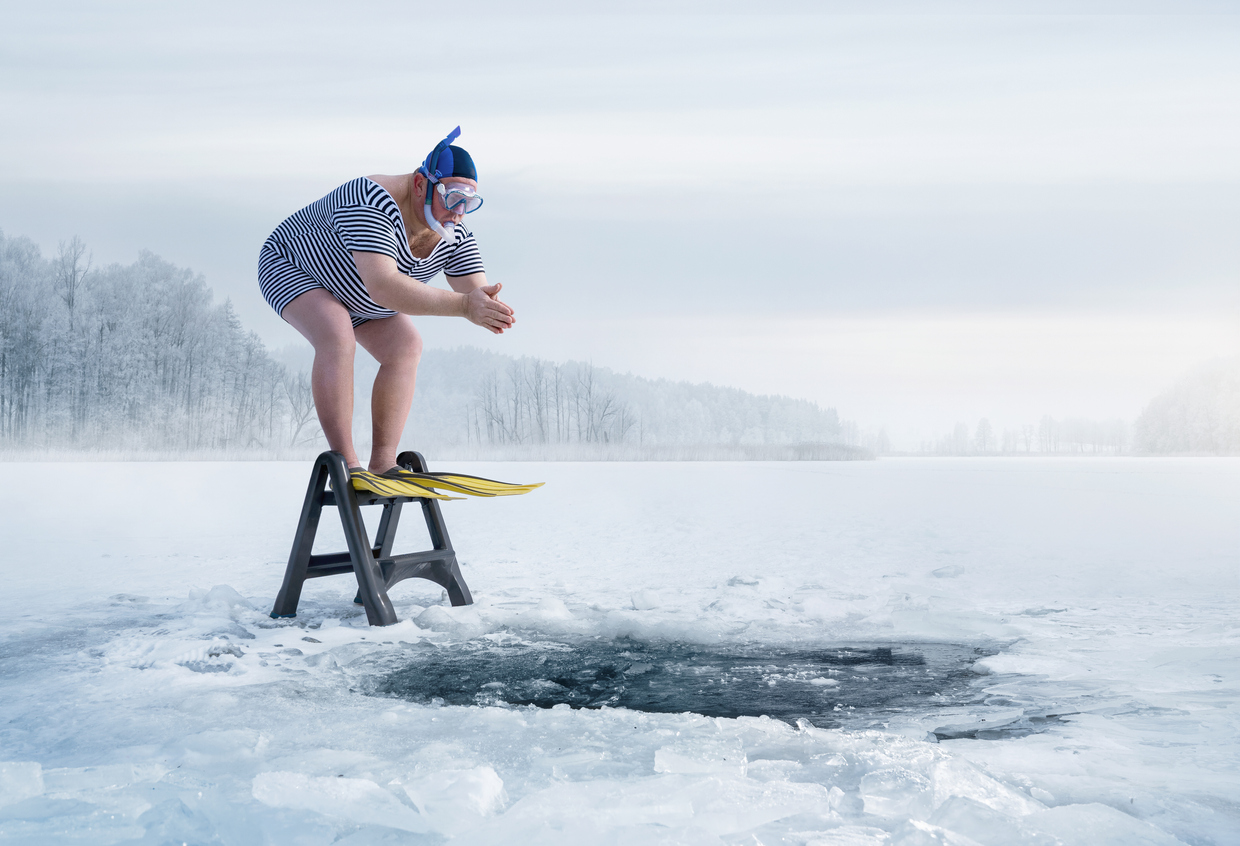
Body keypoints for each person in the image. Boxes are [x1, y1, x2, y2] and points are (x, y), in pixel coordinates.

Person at [258, 127, 513, 480]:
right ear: (421, 184)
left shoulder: (454, 231)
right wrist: (464, 307)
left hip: (358, 291)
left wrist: (487, 306)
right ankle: (347, 465)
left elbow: (474, 293)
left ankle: (384, 462)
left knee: (407, 346)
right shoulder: (372, 199)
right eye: (453, 197)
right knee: (336, 334)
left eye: (469, 203)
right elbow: (384, 286)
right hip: (294, 267)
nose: (459, 212)